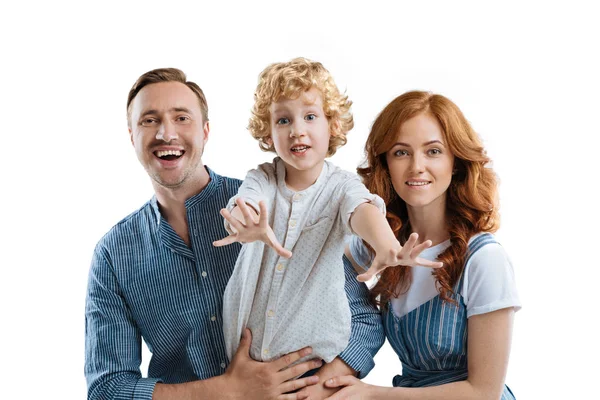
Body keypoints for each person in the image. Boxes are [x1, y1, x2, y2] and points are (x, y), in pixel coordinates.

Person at [84, 67, 386, 400]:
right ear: (132, 136)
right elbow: (108, 388)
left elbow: (362, 319)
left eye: (182, 118)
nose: (166, 133)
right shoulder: (114, 254)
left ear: (205, 131)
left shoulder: (274, 201)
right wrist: (226, 392)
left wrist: (312, 390)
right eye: (149, 120)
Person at [213, 58, 443, 391]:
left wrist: (386, 245)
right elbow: (245, 202)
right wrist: (245, 223)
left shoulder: (341, 187)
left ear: (332, 124)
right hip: (247, 368)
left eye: (310, 116)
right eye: (283, 120)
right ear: (268, 131)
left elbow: (361, 209)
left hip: (314, 368)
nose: (297, 130)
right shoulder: (262, 178)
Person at [324, 91, 522, 399]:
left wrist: (371, 394)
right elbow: (318, 268)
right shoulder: (381, 247)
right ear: (385, 163)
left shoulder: (484, 260)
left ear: (455, 162)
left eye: (433, 151)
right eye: (401, 152)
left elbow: (483, 392)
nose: (417, 166)